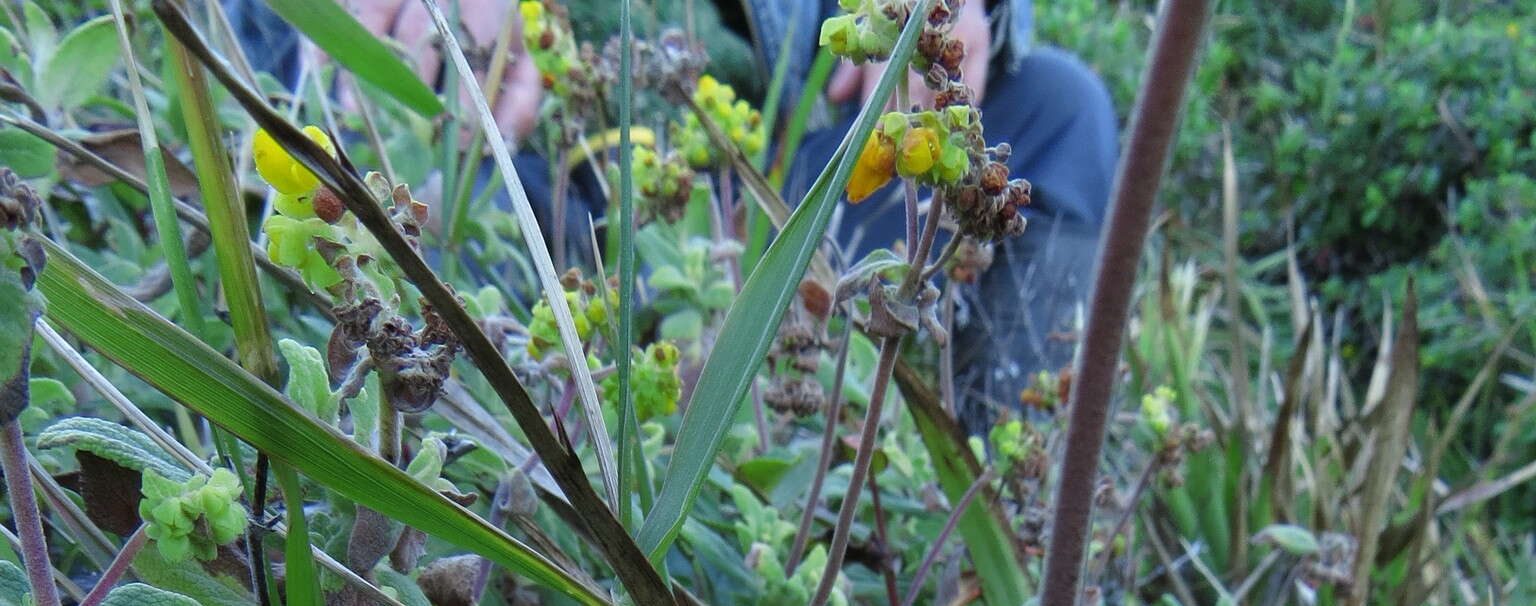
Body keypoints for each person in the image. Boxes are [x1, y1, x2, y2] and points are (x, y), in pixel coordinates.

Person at [230, 0, 1118, 419]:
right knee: (444, 197)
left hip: (783, 121)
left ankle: (997, 468)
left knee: (1062, 107)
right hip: (566, 143)